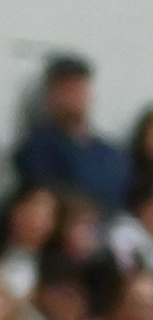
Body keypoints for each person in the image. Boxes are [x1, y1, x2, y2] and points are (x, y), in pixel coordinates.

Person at [13, 55, 130, 214]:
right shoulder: (36, 150)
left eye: (78, 88)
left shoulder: (112, 154)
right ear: (50, 95)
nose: (72, 96)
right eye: (65, 88)